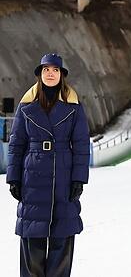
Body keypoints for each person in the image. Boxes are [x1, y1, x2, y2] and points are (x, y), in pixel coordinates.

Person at [6, 53, 90, 276]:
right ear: (39, 75)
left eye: (55, 70)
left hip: (63, 176)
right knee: (32, 238)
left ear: (62, 75)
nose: (50, 74)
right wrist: (13, 178)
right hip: (32, 177)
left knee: (61, 240)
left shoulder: (74, 107)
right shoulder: (26, 107)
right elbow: (16, 144)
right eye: (46, 70)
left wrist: (79, 179)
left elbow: (81, 144)